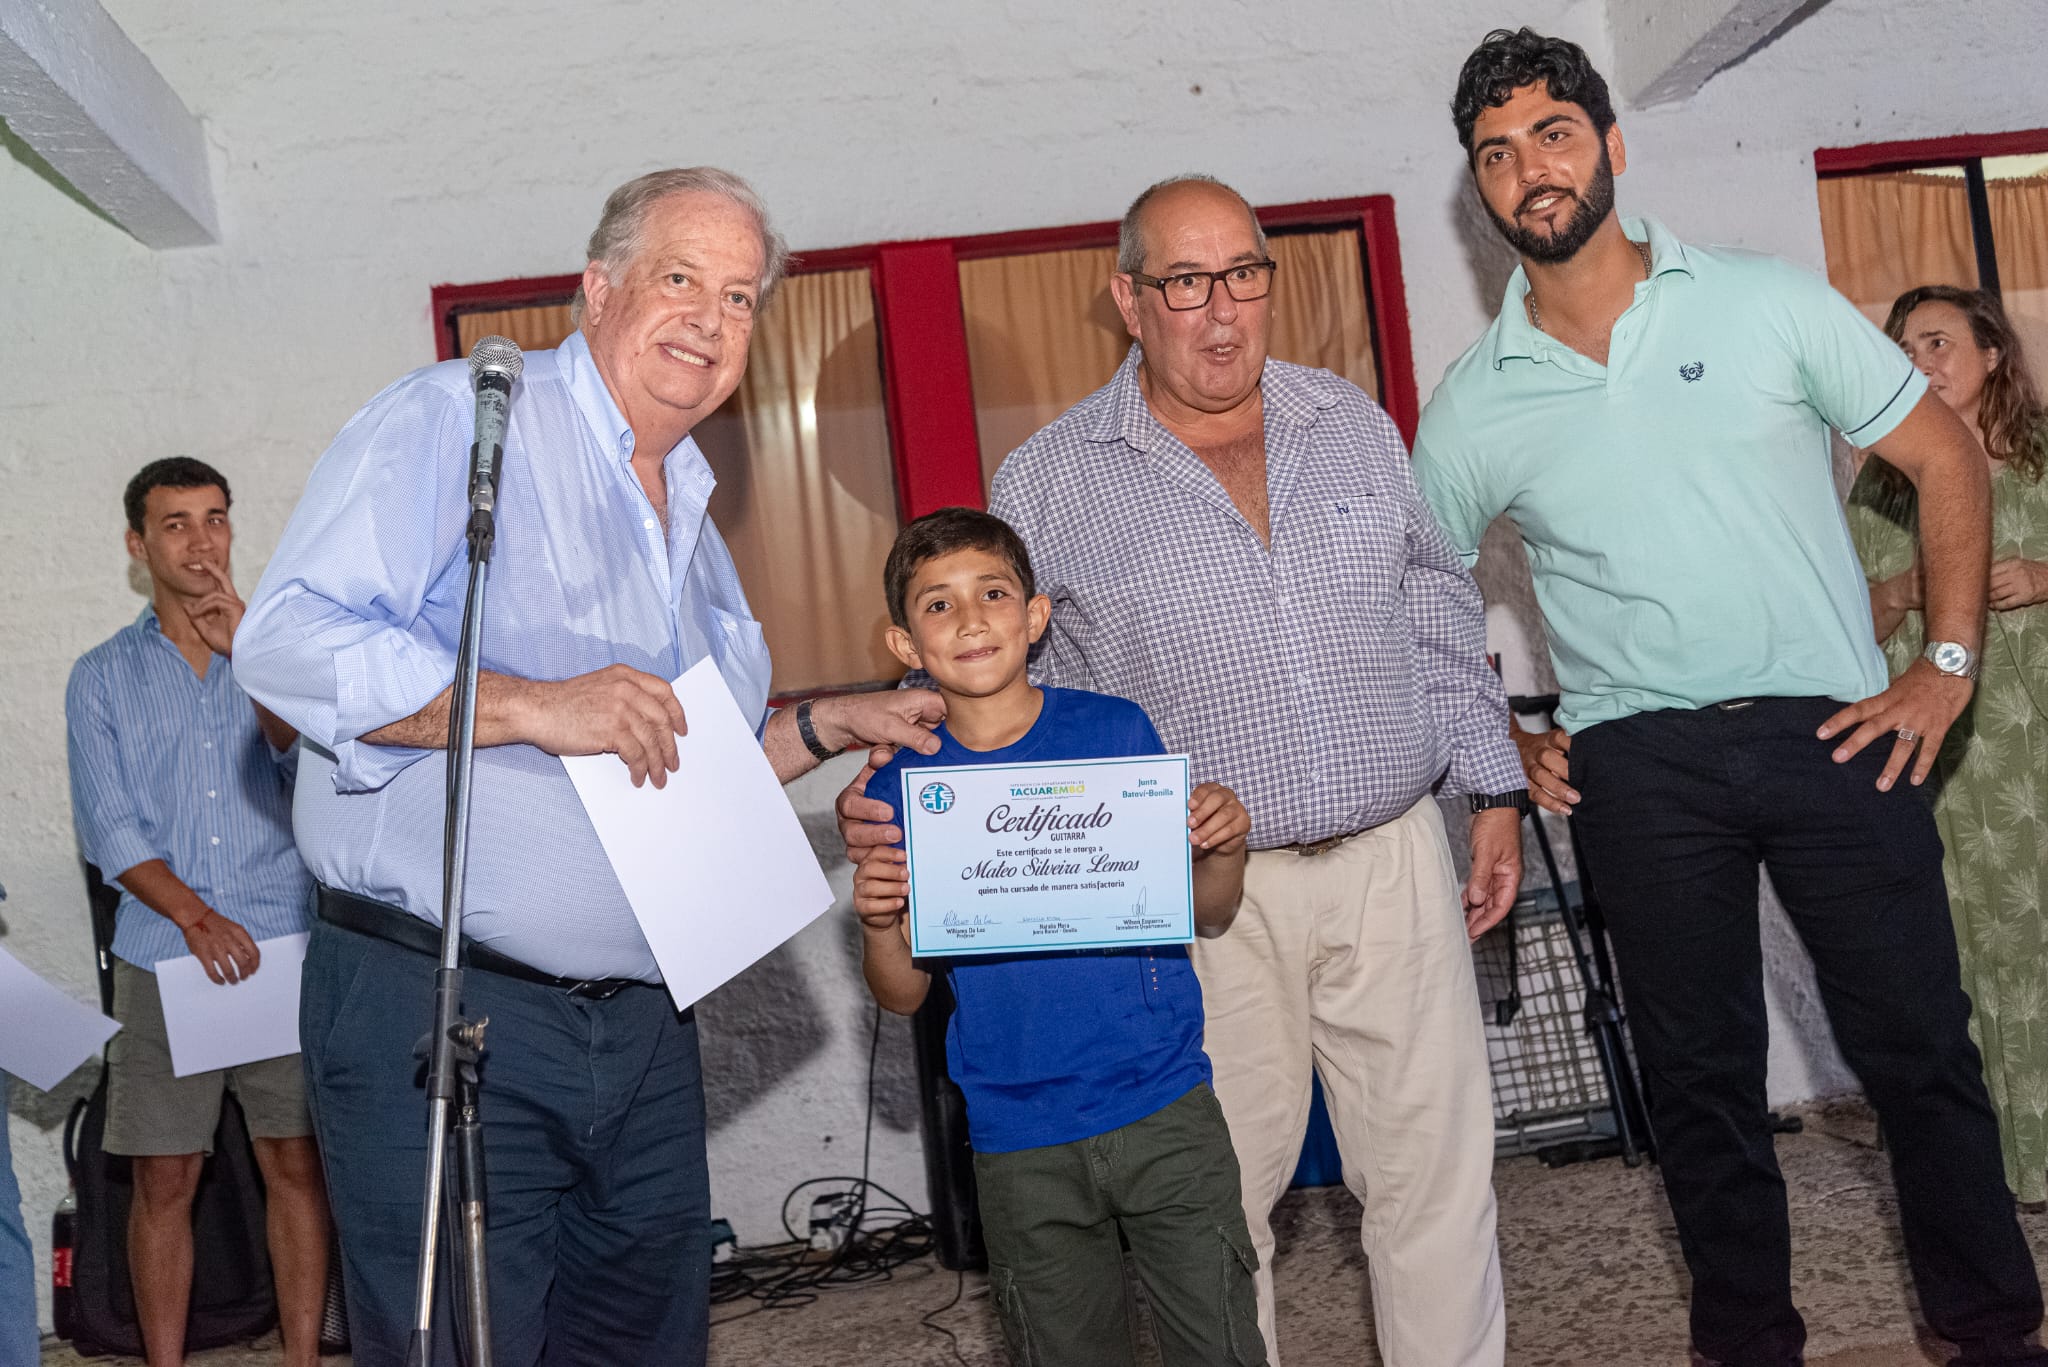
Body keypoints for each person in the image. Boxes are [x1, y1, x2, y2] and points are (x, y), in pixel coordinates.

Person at [232, 167, 946, 1367]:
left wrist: (829, 724)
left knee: (645, 1343)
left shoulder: (697, 524)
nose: (709, 319)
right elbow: (287, 644)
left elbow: (677, 763)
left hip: (643, 1028)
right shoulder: (463, 422)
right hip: (448, 1010)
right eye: (680, 279)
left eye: (738, 297)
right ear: (599, 287)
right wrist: (530, 703)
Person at [1413, 28, 2046, 1367]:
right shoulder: (1472, 404)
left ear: (1610, 143)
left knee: (1920, 1048)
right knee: (1696, 1081)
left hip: (1837, 729)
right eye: (1498, 153)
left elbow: (1943, 456)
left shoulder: (1765, 300)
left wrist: (1944, 665)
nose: (1531, 168)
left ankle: (1992, 1331)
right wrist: (1501, 740)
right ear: (1481, 188)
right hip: (1637, 762)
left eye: (1554, 133)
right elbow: (1420, 593)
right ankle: (1746, 1342)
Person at [842, 174, 1528, 1366]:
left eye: (1244, 274)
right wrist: (915, 790)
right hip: (1200, 895)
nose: (1221, 310)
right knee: (1217, 1205)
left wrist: (1493, 787)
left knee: (1435, 1183)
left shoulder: (1348, 420)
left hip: (1392, 853)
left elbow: (1433, 600)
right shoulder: (1052, 478)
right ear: (1128, 299)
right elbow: (1001, 681)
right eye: (1185, 282)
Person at [851, 507, 1262, 1366]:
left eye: (993, 593)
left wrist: (1226, 845)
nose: (971, 619)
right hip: (1016, 1130)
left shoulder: (1116, 734)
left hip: (1163, 1102)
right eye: (938, 604)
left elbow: (1208, 911)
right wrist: (880, 920)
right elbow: (902, 994)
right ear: (904, 643)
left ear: (1035, 616)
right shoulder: (899, 784)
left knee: (1219, 1344)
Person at [63, 459, 330, 1367]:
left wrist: (256, 659)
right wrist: (195, 918)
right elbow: (111, 828)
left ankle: (303, 1357)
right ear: (138, 546)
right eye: (175, 523)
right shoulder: (100, 676)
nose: (200, 539)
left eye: (214, 518)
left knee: (296, 1165)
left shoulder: (272, 655)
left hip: (282, 945)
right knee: (164, 1177)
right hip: (164, 952)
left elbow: (311, 775)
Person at [1847, 285, 2048, 1206]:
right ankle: (2003, 1163)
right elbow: (1851, 618)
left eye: (1938, 341)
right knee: (1974, 943)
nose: (1920, 360)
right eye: (1904, 348)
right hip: (1950, 747)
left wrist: (2042, 574)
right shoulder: (1886, 486)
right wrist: (1913, 587)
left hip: (2037, 734)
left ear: (1993, 353)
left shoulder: (2040, 462)